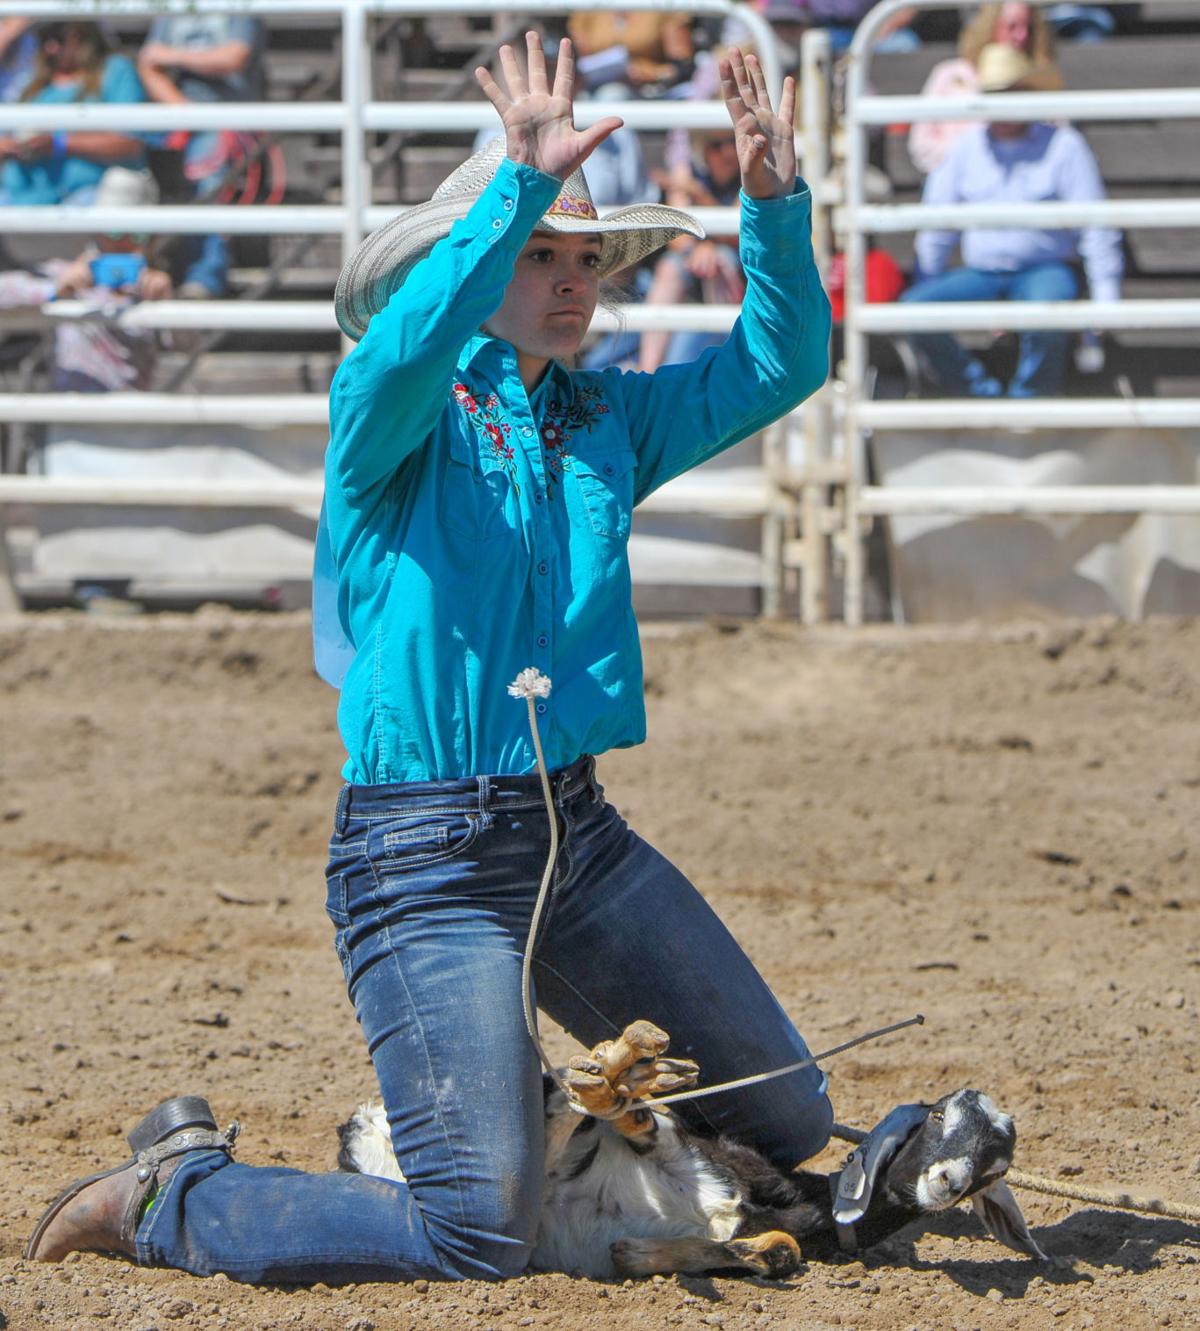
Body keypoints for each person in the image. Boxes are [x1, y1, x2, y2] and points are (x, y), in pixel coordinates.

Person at [26, 32, 833, 1284]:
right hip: (421, 863)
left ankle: (595, 1150)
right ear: (476, 263)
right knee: (476, 1229)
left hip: (580, 841)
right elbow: (405, 353)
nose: (573, 282)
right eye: (540, 256)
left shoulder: (602, 418)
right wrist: (513, 185)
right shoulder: (387, 411)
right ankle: (174, 1197)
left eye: (585, 259)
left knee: (794, 1116)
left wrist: (774, 206)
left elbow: (782, 364)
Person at [899, 43, 1121, 398]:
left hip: (1044, 268)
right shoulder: (966, 147)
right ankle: (977, 396)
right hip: (983, 273)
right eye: (993, 94)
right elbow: (936, 226)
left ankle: (1029, 403)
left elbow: (1096, 225)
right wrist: (930, 279)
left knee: (1049, 309)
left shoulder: (1064, 146)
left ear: (1027, 95)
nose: (1001, 104)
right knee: (914, 311)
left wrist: (1106, 300)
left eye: (1009, 93)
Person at [0, 165, 170, 392]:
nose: (123, 242)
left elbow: (192, 348)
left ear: (152, 240)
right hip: (74, 414)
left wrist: (168, 303)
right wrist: (54, 290)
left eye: (138, 235)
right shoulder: (68, 274)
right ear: (97, 232)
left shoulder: (154, 286)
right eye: (114, 232)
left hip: (131, 416)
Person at [137, 13, 266, 298]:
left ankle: (204, 278)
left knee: (208, 179)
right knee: (130, 169)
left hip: (227, 121)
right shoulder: (172, 8)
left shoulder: (240, 8)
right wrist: (185, 111)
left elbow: (233, 58)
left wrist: (172, 56)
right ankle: (141, 274)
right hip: (178, 116)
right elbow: (147, 63)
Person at [0, 21, 146, 206]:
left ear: (82, 34)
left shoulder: (116, 70)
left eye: (58, 38)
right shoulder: (32, 81)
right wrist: (8, 147)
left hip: (89, 193)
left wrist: (59, 144)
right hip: (19, 195)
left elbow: (130, 144)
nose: (50, 48)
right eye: (44, 38)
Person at [908, 1, 1061, 176]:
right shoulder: (950, 74)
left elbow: (1057, 140)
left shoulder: (1040, 81)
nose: (1022, 35)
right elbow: (922, 144)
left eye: (1029, 28)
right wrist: (972, 163)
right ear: (990, 25)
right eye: (1012, 26)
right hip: (957, 187)